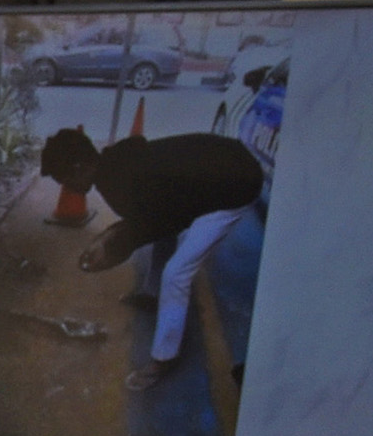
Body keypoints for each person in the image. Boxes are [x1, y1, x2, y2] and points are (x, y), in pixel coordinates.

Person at [40, 126, 264, 390]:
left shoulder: (119, 183)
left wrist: (113, 249)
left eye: (65, 180)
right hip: (227, 159)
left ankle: (163, 358)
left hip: (235, 185)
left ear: (79, 167)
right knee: (164, 236)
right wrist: (115, 238)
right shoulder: (114, 163)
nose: (69, 189)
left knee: (177, 273)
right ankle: (151, 294)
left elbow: (163, 220)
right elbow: (153, 216)